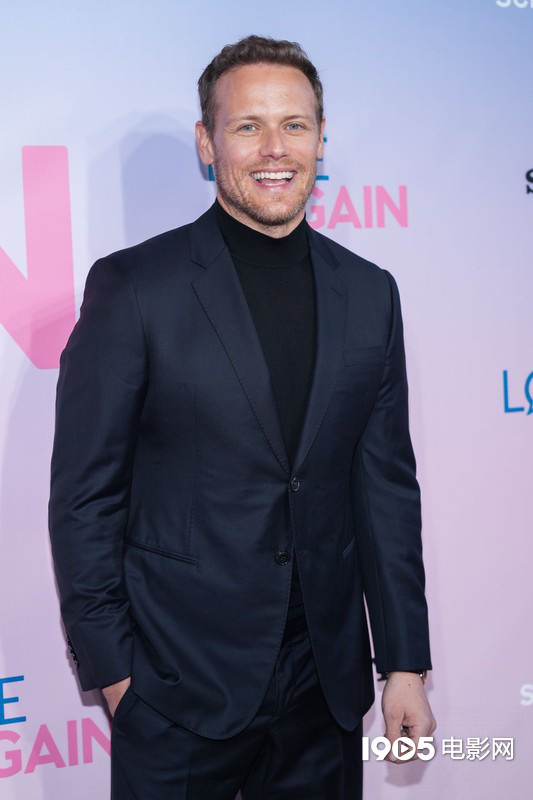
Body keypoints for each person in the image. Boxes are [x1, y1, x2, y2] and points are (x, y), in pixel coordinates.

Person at [48, 34, 436, 800]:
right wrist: (119, 678)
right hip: (175, 688)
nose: (273, 148)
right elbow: (84, 498)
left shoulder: (369, 293)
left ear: (320, 139)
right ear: (207, 141)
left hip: (322, 692)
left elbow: (385, 493)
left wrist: (403, 663)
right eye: (247, 125)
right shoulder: (135, 288)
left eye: (293, 124)